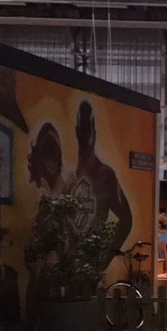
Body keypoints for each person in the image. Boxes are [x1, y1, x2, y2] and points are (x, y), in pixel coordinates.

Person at [70, 100, 133, 256]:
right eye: (82, 128)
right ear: (77, 131)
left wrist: (106, 257)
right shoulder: (72, 174)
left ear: (94, 132)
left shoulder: (104, 174)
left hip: (90, 256)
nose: (85, 135)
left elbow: (126, 220)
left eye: (88, 128)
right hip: (73, 259)